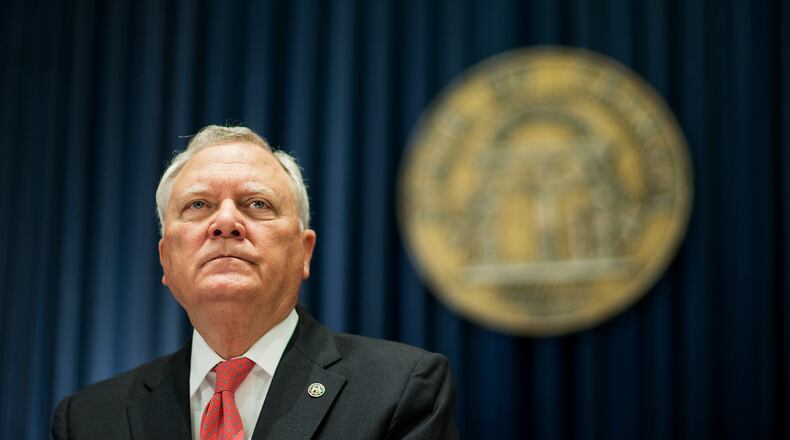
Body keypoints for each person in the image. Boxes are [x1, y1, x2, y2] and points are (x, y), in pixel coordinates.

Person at [52, 125, 458, 439]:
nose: (226, 222)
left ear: (304, 252)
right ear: (166, 259)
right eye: (198, 205)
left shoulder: (401, 389)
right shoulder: (88, 419)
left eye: (257, 204)